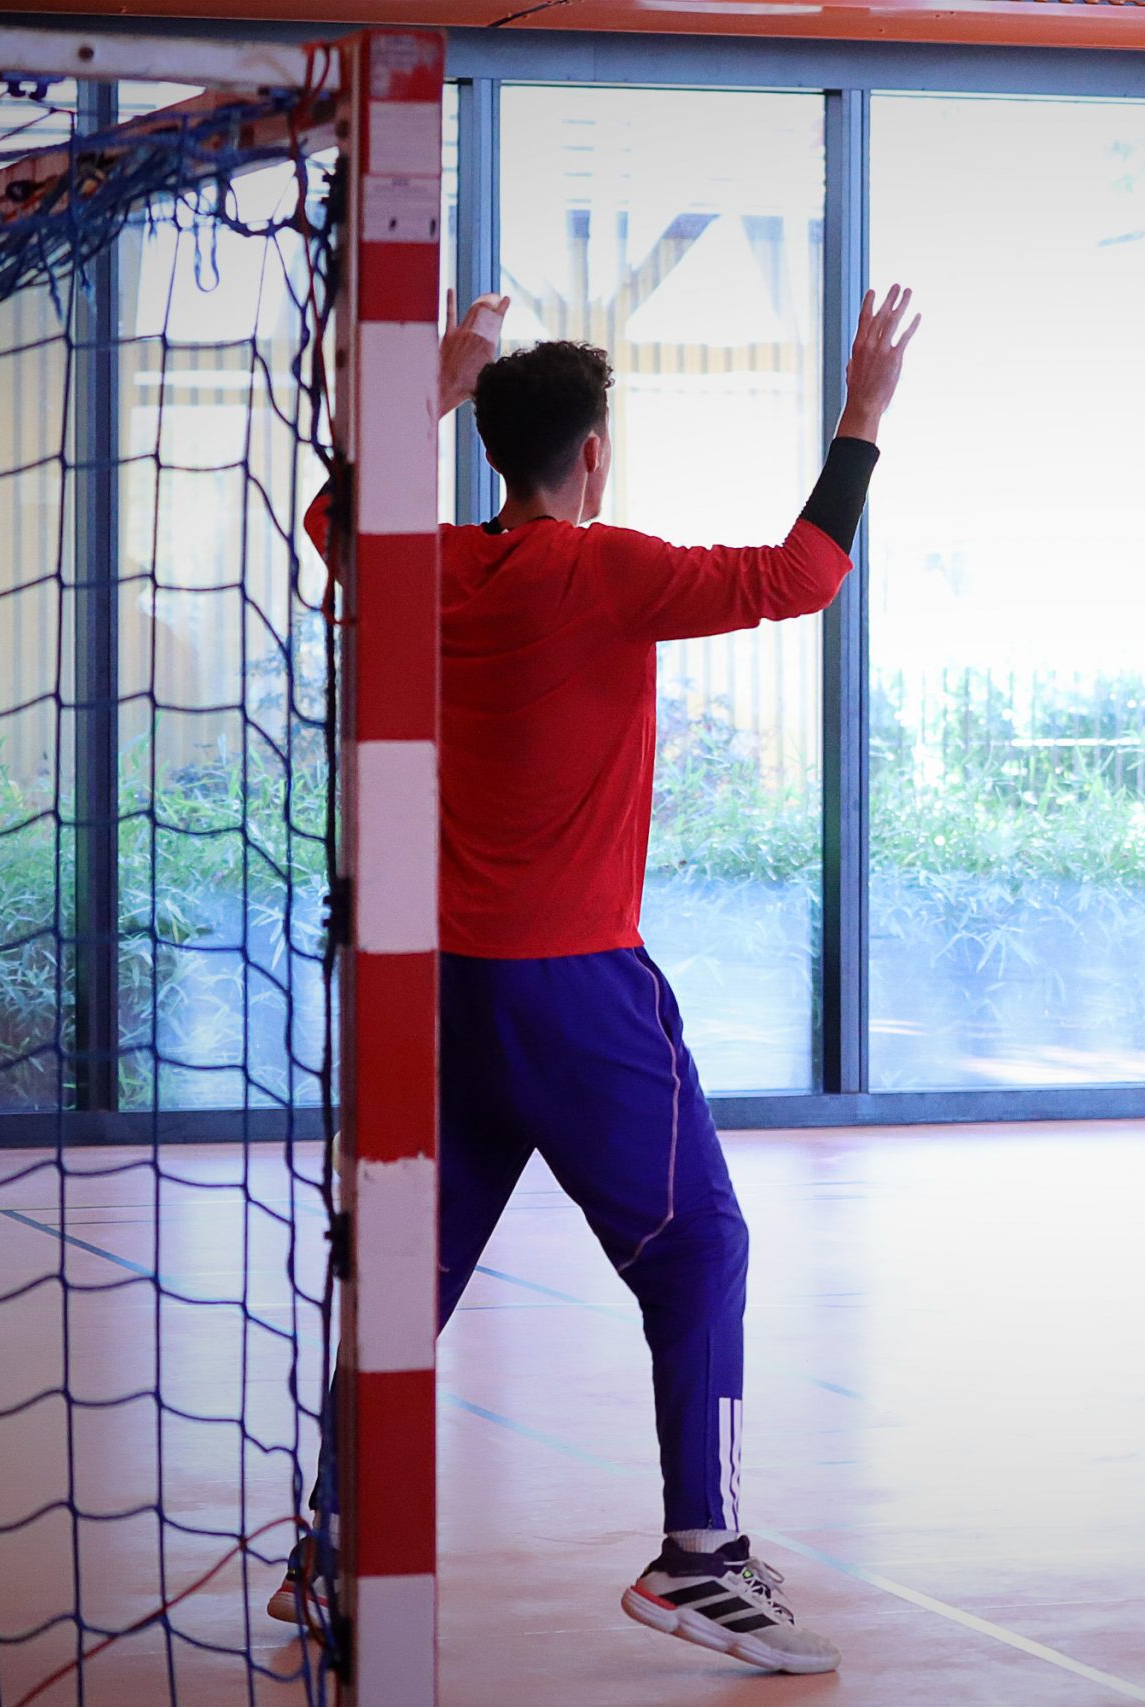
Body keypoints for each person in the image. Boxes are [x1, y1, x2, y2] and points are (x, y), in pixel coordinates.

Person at [274, 285, 920, 1674]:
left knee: (412, 1277)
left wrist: (431, 391)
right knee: (700, 1247)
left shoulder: (424, 564)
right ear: (596, 455)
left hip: (441, 993)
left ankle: (327, 1542)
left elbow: (333, 517)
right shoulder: (609, 568)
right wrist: (862, 414)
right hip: (571, 988)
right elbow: (805, 573)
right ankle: (702, 1560)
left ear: (492, 447)